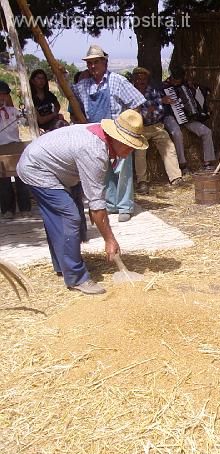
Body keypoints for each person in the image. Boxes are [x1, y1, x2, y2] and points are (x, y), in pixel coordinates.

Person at [16, 109, 149, 295]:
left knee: (66, 217)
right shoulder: (95, 151)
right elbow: (97, 207)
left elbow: (95, 199)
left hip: (59, 169)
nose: (130, 151)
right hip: (37, 169)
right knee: (68, 216)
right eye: (129, 145)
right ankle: (77, 278)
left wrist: (96, 211)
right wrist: (110, 240)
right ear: (116, 138)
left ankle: (65, 266)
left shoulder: (100, 136)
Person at [71, 45, 145, 222]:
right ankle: (111, 204)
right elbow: (72, 103)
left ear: (105, 62)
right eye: (89, 63)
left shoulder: (117, 81)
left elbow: (136, 102)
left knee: (123, 169)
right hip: (96, 134)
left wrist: (128, 124)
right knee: (104, 171)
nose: (93, 66)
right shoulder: (82, 86)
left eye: (96, 62)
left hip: (118, 132)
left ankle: (125, 206)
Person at [131, 66, 183, 194]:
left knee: (168, 146)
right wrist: (148, 110)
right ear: (134, 80)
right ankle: (142, 182)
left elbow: (159, 111)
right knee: (140, 152)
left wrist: (144, 112)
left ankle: (176, 177)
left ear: (147, 80)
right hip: (139, 129)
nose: (141, 81)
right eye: (138, 78)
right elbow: (131, 114)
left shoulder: (152, 91)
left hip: (155, 126)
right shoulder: (131, 92)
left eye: (143, 78)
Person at [162, 66, 215, 173]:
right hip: (170, 116)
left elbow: (199, 94)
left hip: (186, 116)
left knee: (206, 131)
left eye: (179, 81)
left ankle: (208, 162)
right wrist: (162, 100)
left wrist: (194, 89)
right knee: (177, 134)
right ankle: (183, 165)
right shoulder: (163, 86)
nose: (177, 83)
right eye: (175, 80)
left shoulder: (186, 84)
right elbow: (154, 102)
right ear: (171, 77)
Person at [0, 80, 31, 219]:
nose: (1, 97)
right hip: (1, 148)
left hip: (15, 145)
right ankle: (7, 209)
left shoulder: (12, 111)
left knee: (21, 177)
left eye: (4, 95)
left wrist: (25, 117)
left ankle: (25, 208)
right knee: (4, 181)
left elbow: (25, 122)